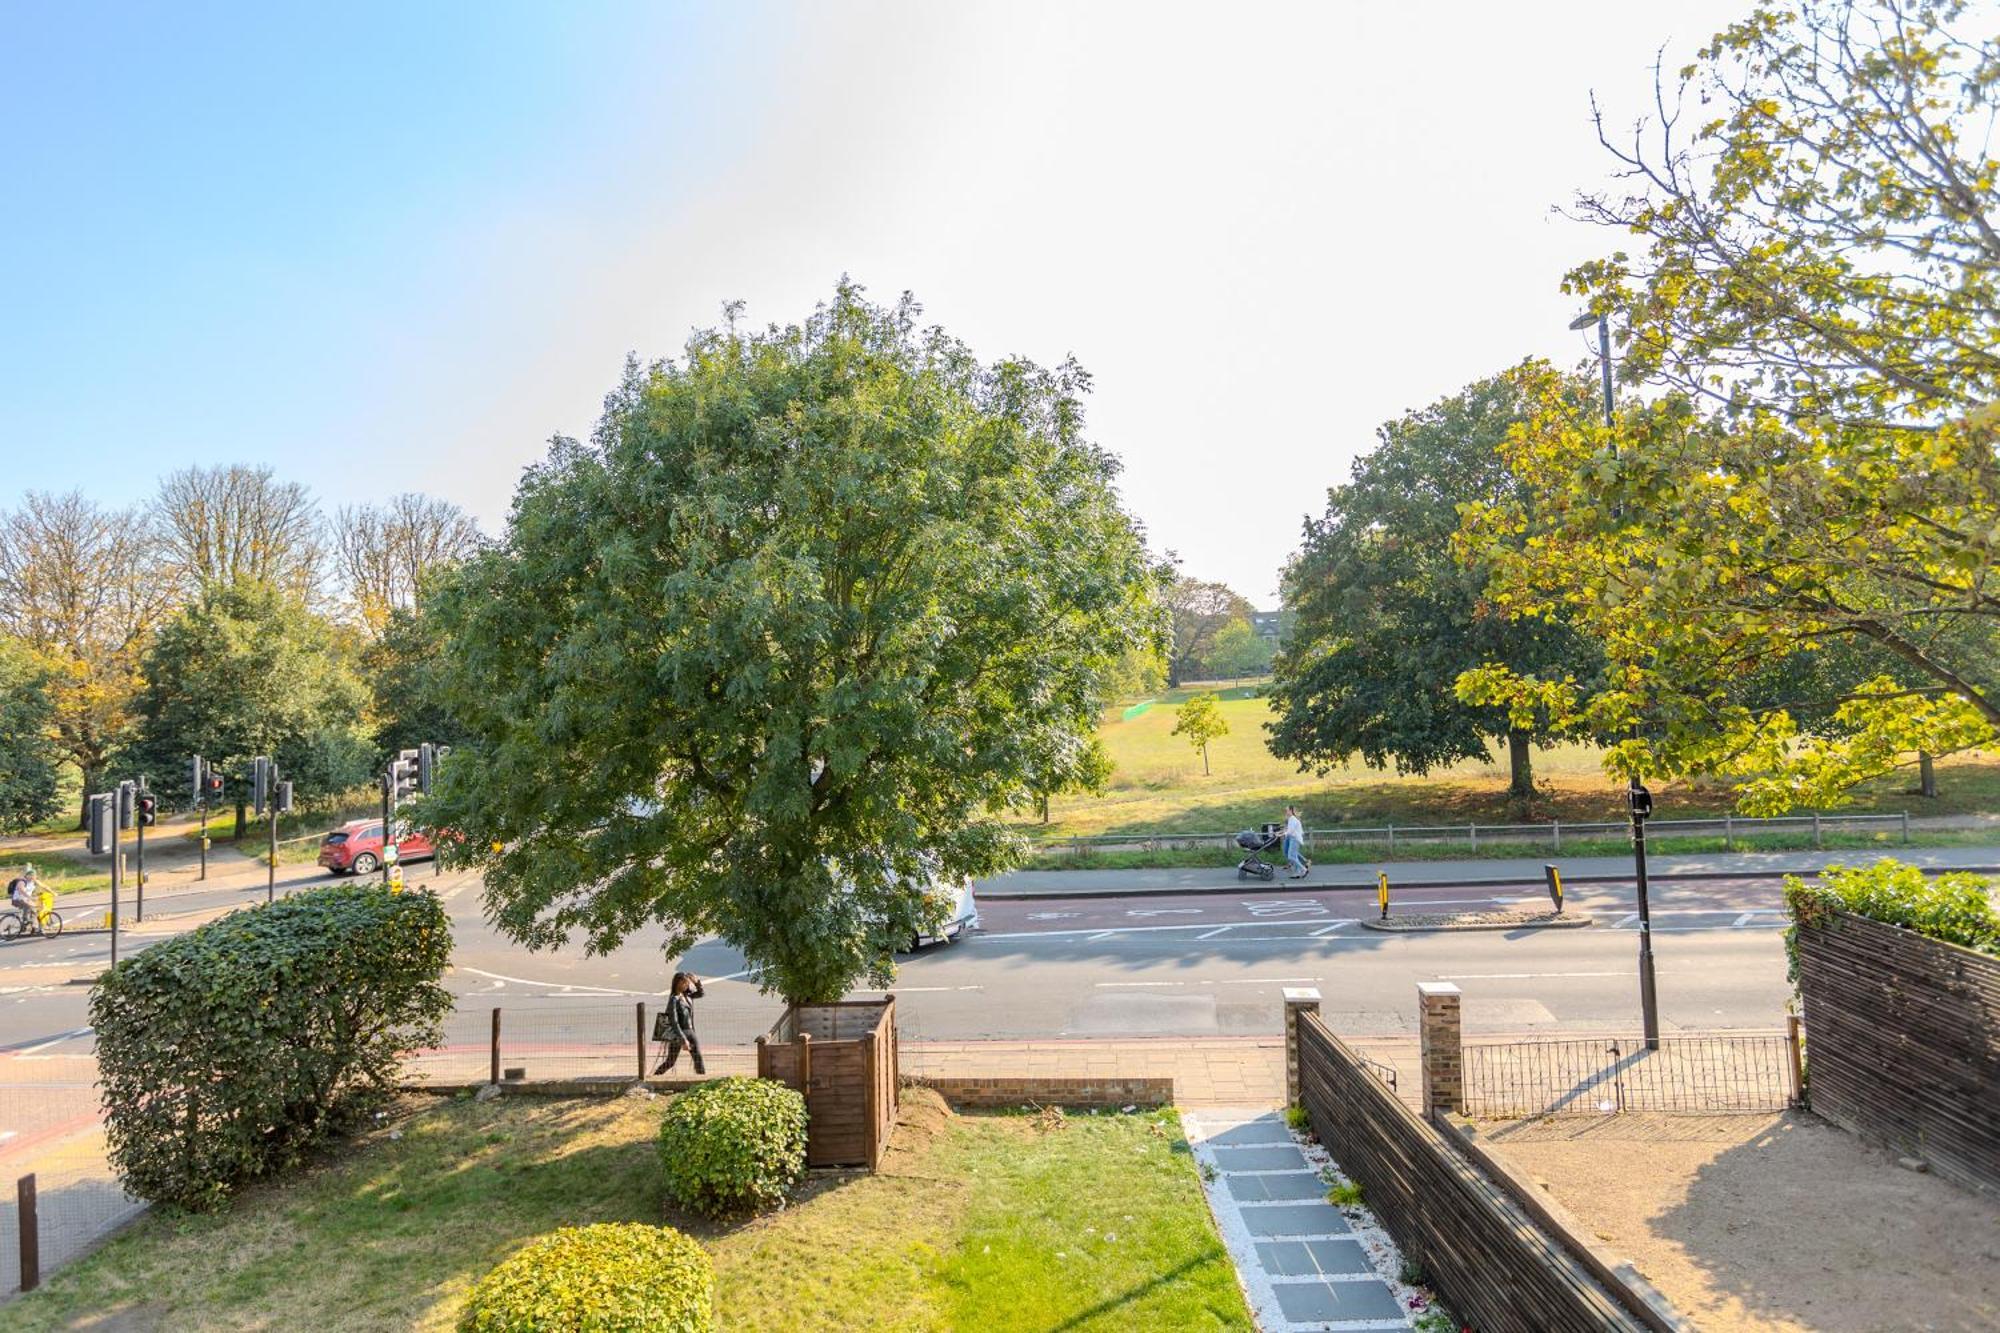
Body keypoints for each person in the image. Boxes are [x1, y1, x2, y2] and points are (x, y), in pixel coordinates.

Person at [654, 971, 706, 1076]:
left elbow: (701, 994)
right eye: (684, 983)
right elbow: (674, 1021)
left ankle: (702, 1081)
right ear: (677, 983)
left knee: (698, 1058)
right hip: (679, 1034)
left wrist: (697, 983)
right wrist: (683, 1039)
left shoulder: (687, 995)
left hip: (691, 1032)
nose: (686, 985)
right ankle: (655, 1077)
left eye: (687, 983)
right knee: (670, 1061)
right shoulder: (674, 999)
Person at [1280, 806, 1309, 880]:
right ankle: (1297, 873)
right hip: (1293, 838)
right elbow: (1288, 829)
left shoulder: (1293, 819)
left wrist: (1281, 834)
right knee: (1294, 856)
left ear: (1290, 811)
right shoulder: (1291, 819)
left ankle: (1304, 869)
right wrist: (1281, 832)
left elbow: (1290, 831)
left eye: (1286, 810)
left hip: (1295, 839)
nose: (1285, 812)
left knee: (1291, 856)